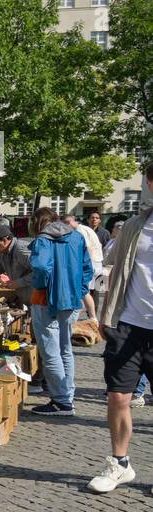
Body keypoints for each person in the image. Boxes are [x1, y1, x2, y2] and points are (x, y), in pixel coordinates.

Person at [89, 161, 153, 492]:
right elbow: (111, 273)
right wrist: (104, 314)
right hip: (127, 324)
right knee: (117, 397)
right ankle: (120, 463)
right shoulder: (134, 227)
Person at [28, 207, 93, 417]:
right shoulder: (76, 236)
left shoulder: (43, 239)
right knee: (65, 349)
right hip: (70, 300)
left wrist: (41, 286)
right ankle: (67, 396)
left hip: (45, 299)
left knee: (51, 352)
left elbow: (40, 267)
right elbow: (87, 268)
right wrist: (79, 290)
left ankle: (61, 401)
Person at [64, 213, 104, 320]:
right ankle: (90, 316)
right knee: (85, 291)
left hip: (91, 263)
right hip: (96, 263)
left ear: (69, 223)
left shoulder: (80, 231)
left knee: (84, 291)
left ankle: (91, 317)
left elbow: (86, 249)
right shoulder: (86, 229)